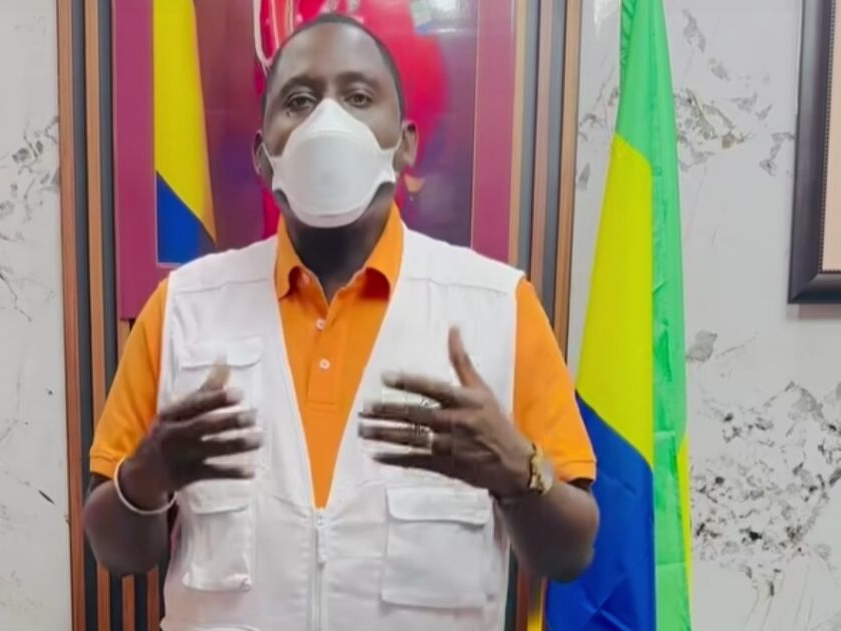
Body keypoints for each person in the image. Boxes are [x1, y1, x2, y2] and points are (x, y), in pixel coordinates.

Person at [84, 14, 599, 631]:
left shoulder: (498, 306)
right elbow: (116, 553)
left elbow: (569, 556)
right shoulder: (184, 308)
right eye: (299, 101)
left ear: (404, 143)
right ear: (263, 156)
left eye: (358, 97)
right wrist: (147, 477)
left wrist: (518, 475)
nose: (328, 121)